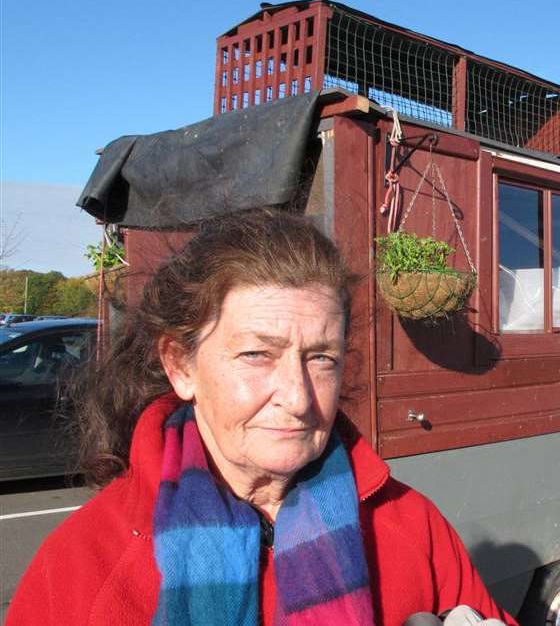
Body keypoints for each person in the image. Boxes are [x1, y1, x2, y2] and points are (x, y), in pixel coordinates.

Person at [7, 210, 514, 626]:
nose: (297, 398)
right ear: (181, 366)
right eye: (256, 354)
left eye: (322, 358)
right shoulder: (84, 563)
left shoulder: (409, 524)